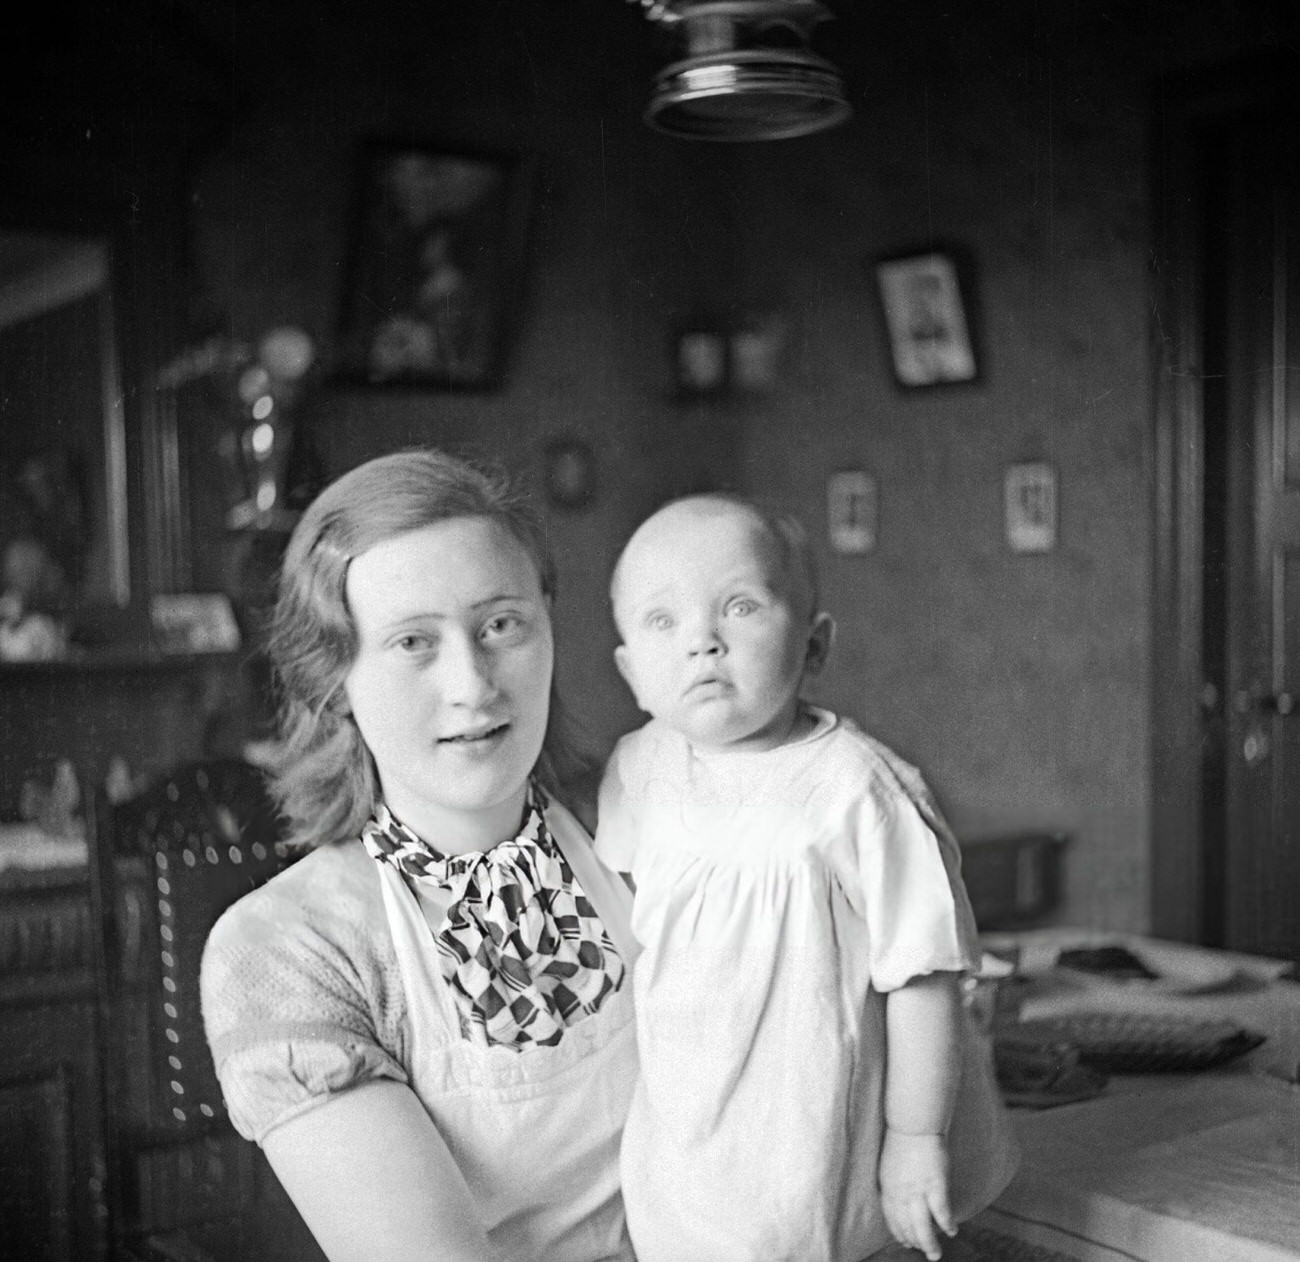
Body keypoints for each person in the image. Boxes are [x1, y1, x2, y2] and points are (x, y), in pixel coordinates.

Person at [200, 447, 640, 1261]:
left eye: (501, 624)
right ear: (334, 683)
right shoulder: (289, 946)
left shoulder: (647, 831)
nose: (473, 684)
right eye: (412, 643)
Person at [595, 493, 1018, 1262]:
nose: (703, 642)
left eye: (741, 607)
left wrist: (914, 1138)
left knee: (821, 1230)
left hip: (821, 1107)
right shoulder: (639, 770)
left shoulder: (860, 791)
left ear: (815, 645)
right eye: (664, 621)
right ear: (631, 670)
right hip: (695, 1114)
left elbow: (921, 977)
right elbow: (629, 923)